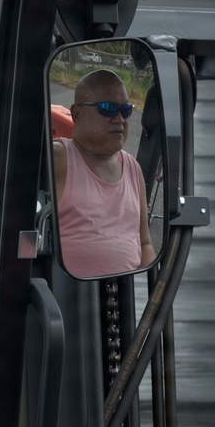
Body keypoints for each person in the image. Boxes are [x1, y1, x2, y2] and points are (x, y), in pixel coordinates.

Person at [53, 69, 156, 277]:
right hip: (71, 302)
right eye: (108, 109)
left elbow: (144, 242)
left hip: (125, 299)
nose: (120, 119)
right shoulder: (59, 158)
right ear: (77, 114)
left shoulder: (133, 168)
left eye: (126, 110)